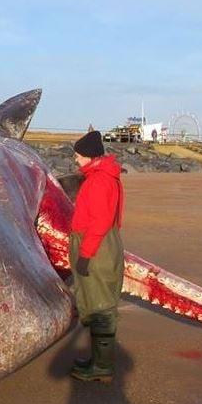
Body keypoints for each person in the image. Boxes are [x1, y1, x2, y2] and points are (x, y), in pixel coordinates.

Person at [69, 130, 124, 382]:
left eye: (78, 156)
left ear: (90, 156)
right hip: (100, 243)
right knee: (96, 300)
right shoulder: (101, 176)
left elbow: (100, 222)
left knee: (101, 305)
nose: (76, 160)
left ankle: (102, 367)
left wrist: (85, 255)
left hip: (97, 247)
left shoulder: (99, 181)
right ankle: (98, 360)